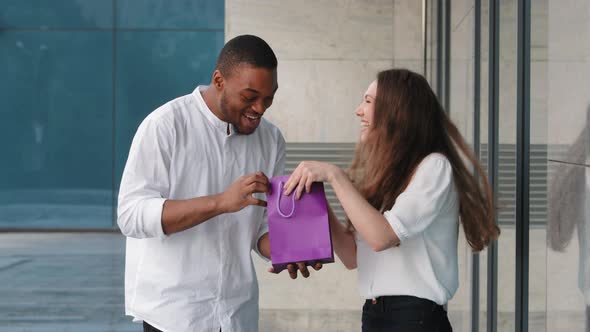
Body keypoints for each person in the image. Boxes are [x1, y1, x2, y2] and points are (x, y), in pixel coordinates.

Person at [117, 34, 316, 332]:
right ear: (219, 81)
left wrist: (289, 250)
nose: (260, 108)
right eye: (250, 97)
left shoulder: (272, 140)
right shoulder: (165, 126)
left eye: (269, 98)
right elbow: (131, 216)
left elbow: (263, 225)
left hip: (238, 314)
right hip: (174, 316)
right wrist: (220, 202)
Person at [282, 68, 500, 331]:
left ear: (396, 110)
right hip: (376, 314)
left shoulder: (434, 167)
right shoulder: (387, 175)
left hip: (413, 318)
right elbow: (352, 257)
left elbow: (382, 237)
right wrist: (320, 198)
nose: (358, 110)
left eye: (368, 101)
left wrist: (334, 175)